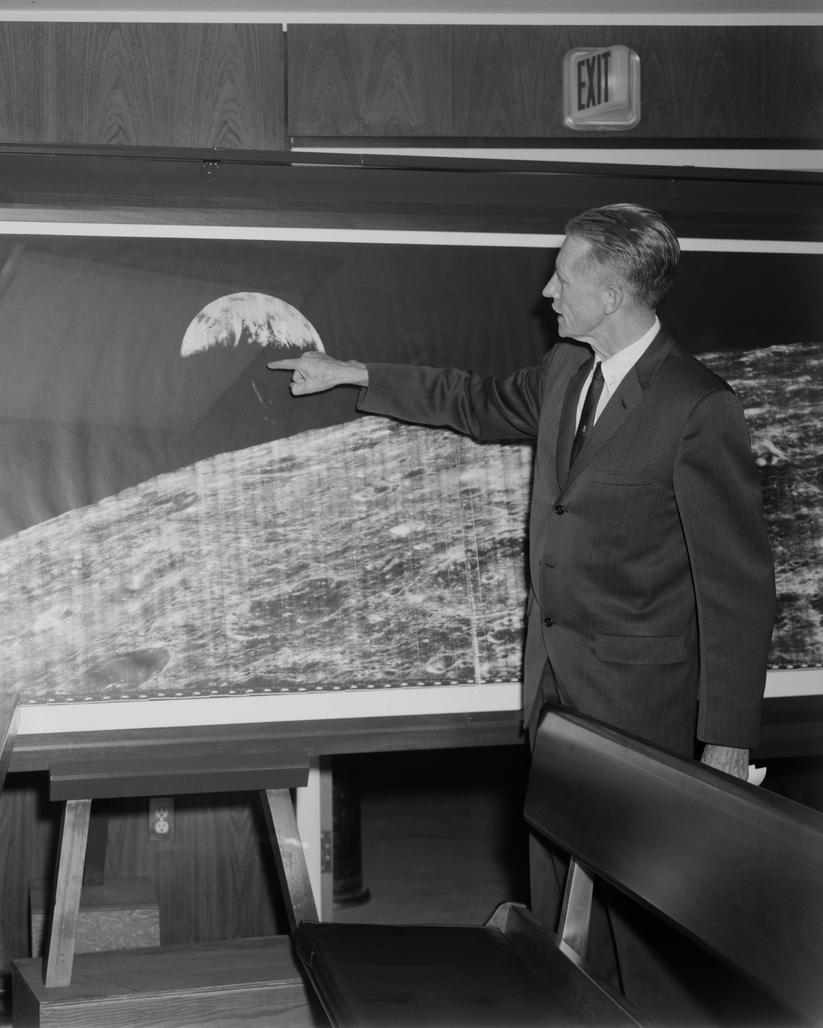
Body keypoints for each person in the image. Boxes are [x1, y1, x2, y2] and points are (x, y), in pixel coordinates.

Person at [269, 203, 777, 1018]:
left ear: (611, 293)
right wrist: (353, 374)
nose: (545, 291)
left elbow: (737, 588)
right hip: (555, 694)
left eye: (564, 275)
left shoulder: (695, 406)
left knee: (641, 921)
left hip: (644, 708)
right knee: (553, 904)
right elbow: (471, 401)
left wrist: (725, 740)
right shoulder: (564, 374)